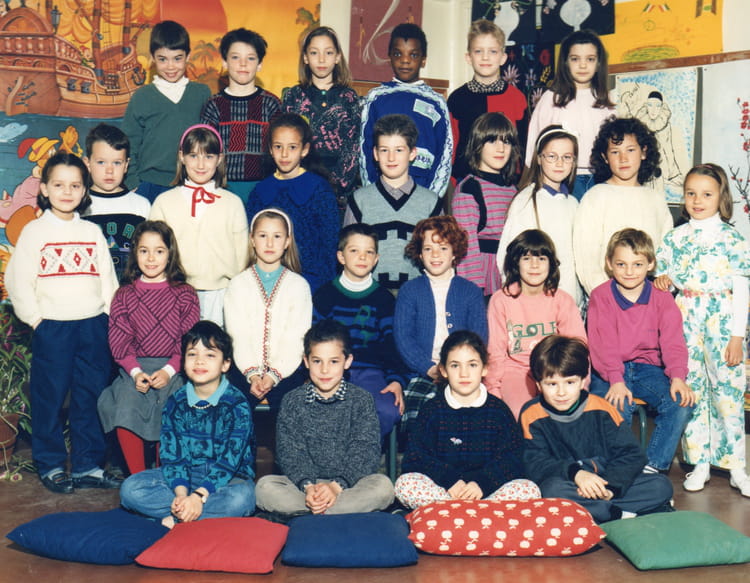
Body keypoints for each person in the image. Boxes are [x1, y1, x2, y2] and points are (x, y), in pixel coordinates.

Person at [6, 152, 119, 494]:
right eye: (58, 185)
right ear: (44, 188)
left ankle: (88, 465)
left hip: (92, 326)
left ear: (85, 191)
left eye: (75, 186)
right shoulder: (34, 232)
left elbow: (108, 281)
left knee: (90, 397)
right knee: (50, 398)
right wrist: (37, 320)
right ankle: (51, 464)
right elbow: (17, 281)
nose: (67, 192)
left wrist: (109, 317)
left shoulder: (92, 232)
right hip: (53, 327)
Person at [654, 163, 750, 497]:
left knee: (727, 390)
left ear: (721, 197)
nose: (697, 200)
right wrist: (664, 282)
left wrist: (737, 336)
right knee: (691, 388)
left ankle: (736, 467)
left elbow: (742, 289)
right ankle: (700, 463)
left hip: (722, 317)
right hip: (685, 317)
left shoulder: (732, 238)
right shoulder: (675, 238)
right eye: (691, 193)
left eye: (706, 194)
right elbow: (664, 281)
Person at [520, 335, 674, 523]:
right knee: (550, 491)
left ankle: (596, 510)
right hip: (568, 482)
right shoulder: (531, 414)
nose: (561, 392)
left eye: (570, 382)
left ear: (582, 381)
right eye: (552, 384)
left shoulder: (602, 409)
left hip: (606, 481)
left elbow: (631, 454)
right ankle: (616, 514)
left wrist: (611, 488)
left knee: (661, 486)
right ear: (538, 385)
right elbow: (535, 463)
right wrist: (576, 474)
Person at [120, 321, 256, 528]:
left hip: (228, 479)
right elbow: (172, 456)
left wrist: (199, 495)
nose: (200, 361)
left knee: (242, 500)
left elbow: (230, 461)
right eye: (192, 354)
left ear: (226, 364)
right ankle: (189, 513)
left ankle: (178, 517)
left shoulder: (237, 404)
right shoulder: (176, 401)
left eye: (210, 355)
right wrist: (182, 494)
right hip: (187, 475)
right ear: (183, 362)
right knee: (130, 489)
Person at [254, 320, 395, 516]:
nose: (325, 370)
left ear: (347, 361)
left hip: (348, 486)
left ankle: (311, 513)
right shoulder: (292, 400)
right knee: (264, 487)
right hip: (304, 488)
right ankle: (331, 511)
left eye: (334, 361)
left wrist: (336, 487)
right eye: (317, 361)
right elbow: (290, 452)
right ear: (306, 361)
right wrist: (309, 487)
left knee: (383, 487)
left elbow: (365, 450)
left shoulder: (362, 400)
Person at [587, 228, 695, 474]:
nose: (629, 271)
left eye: (637, 264)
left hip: (648, 369)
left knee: (681, 403)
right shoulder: (601, 296)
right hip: (609, 370)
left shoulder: (662, 297)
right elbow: (603, 344)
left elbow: (673, 341)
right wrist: (616, 380)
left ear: (651, 264)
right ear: (609, 263)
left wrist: (678, 377)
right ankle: (615, 467)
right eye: (621, 264)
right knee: (617, 405)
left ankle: (652, 467)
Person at [97, 220, 200, 475]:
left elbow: (188, 340)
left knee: (173, 408)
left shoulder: (185, 293)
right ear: (135, 253)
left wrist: (168, 370)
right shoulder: (125, 295)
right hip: (134, 369)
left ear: (170, 254)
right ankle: (138, 478)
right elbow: (119, 341)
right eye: (144, 251)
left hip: (175, 367)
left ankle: (166, 475)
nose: (151, 258)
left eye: (159, 251)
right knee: (126, 404)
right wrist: (135, 373)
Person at [394, 331, 540, 509]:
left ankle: (468, 514)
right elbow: (415, 457)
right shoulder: (432, 410)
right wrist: (449, 481)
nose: (464, 373)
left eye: (472, 365)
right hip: (444, 493)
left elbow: (512, 459)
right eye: (455, 365)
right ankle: (464, 513)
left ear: (484, 368)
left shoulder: (498, 410)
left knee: (529, 489)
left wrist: (482, 483)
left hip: (487, 494)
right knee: (405, 484)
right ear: (443, 370)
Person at [394, 216, 488, 433]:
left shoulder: (471, 291)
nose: (435, 255)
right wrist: (429, 368)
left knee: (466, 423)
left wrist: (458, 368)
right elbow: (403, 338)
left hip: (463, 372)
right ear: (420, 254)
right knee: (419, 422)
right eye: (428, 249)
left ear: (455, 253)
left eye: (443, 248)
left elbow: (479, 338)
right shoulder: (409, 291)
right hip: (422, 372)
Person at [313, 224, 406, 439]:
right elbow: (314, 341)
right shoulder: (325, 295)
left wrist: (396, 380)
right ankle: (336, 456)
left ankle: (360, 454)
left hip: (371, 373)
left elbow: (392, 345)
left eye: (369, 252)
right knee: (326, 412)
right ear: (341, 256)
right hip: (331, 371)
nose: (362, 257)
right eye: (354, 250)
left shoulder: (384, 299)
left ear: (376, 259)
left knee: (388, 409)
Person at [149, 124, 248, 326]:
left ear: (219, 159)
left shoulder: (233, 203)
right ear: (182, 157)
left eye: (208, 156)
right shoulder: (164, 202)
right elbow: (153, 250)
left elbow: (243, 257)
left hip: (221, 294)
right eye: (193, 155)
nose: (201, 164)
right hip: (175, 292)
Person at [486, 229, 585, 419]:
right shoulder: (501, 300)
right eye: (526, 258)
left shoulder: (562, 300)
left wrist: (580, 384)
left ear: (551, 264)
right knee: (522, 413)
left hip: (555, 371)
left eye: (541, 258)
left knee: (564, 414)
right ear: (516, 263)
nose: (534, 265)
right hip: (516, 371)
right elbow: (495, 351)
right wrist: (493, 390)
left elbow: (579, 347)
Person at [572, 116, 672, 296]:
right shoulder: (595, 197)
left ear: (643, 152)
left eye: (630, 150)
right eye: (615, 152)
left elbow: (666, 253)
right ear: (605, 157)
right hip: (607, 299)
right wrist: (607, 299)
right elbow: (586, 259)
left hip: (649, 298)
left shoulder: (656, 200)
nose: (623, 158)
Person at [224, 209, 312, 411]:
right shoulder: (238, 284)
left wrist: (274, 375)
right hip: (243, 370)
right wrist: (253, 374)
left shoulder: (298, 286)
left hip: (287, 372)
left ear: (287, 241)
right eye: (263, 236)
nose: (270, 243)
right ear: (252, 240)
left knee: (291, 411)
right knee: (232, 411)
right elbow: (238, 335)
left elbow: (296, 336)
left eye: (277, 236)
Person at [344, 114, 442, 291]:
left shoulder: (431, 203)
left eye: (399, 150)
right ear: (375, 153)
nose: (391, 158)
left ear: (412, 153)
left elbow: (440, 258)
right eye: (384, 150)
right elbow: (348, 256)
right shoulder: (359, 200)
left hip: (418, 296)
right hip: (370, 296)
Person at [246, 113, 338, 293]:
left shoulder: (319, 189)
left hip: (311, 282)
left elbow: (329, 244)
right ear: (270, 149)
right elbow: (251, 243)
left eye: (292, 147)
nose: (284, 154)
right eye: (278, 146)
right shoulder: (260, 191)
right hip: (268, 281)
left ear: (304, 150)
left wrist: (324, 290)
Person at [360, 23, 452, 197]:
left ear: (423, 60)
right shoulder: (376, 98)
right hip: (382, 190)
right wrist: (373, 195)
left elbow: (444, 154)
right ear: (389, 57)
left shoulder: (437, 102)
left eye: (413, 55)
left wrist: (432, 199)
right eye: (398, 54)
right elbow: (365, 149)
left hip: (424, 191)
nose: (405, 60)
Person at [122, 21, 211, 202]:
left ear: (188, 56)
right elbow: (128, 144)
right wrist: (133, 183)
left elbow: (211, 142)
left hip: (192, 184)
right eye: (163, 59)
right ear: (153, 58)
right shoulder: (142, 97)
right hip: (149, 185)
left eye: (177, 58)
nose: (170, 66)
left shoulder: (202, 94)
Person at [524, 30, 616, 200]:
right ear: (565, 62)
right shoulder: (551, 99)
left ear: (599, 63)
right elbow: (534, 145)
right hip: (563, 178)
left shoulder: (607, 101)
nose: (583, 65)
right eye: (575, 59)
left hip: (601, 177)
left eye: (590, 59)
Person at [498, 125, 582, 307]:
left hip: (570, 300)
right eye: (552, 156)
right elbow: (509, 255)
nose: (559, 163)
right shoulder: (526, 201)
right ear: (539, 158)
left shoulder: (573, 203)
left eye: (567, 157)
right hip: (537, 303)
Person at [282, 26, 362, 208]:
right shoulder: (293, 96)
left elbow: (353, 148)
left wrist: (335, 187)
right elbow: (287, 144)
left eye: (328, 52)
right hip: (299, 187)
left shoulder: (348, 97)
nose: (321, 59)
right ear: (305, 58)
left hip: (338, 194)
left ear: (337, 57)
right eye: (314, 52)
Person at [200, 28, 281, 203]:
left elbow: (279, 151)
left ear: (260, 64)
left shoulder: (271, 104)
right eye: (235, 57)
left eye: (250, 58)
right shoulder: (213, 105)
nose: (243, 64)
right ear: (224, 62)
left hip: (264, 188)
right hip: (222, 189)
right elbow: (206, 152)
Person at [448, 19, 528, 181]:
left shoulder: (516, 98)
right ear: (468, 57)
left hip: (507, 183)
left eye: (492, 51)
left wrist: (520, 182)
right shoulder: (457, 99)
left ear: (503, 58)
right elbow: (451, 146)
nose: (485, 57)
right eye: (478, 51)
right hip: (466, 182)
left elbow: (523, 146)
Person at [451, 112, 519, 296]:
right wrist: (473, 290)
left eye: (506, 142)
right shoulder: (469, 188)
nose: (501, 148)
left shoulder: (514, 189)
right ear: (477, 145)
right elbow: (467, 246)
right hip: (483, 276)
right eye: (492, 141)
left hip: (511, 272)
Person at [81, 123, 151, 281]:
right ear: (87, 163)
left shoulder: (141, 205)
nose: (109, 170)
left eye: (117, 163)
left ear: (126, 165)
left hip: (132, 291)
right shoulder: (79, 206)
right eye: (101, 162)